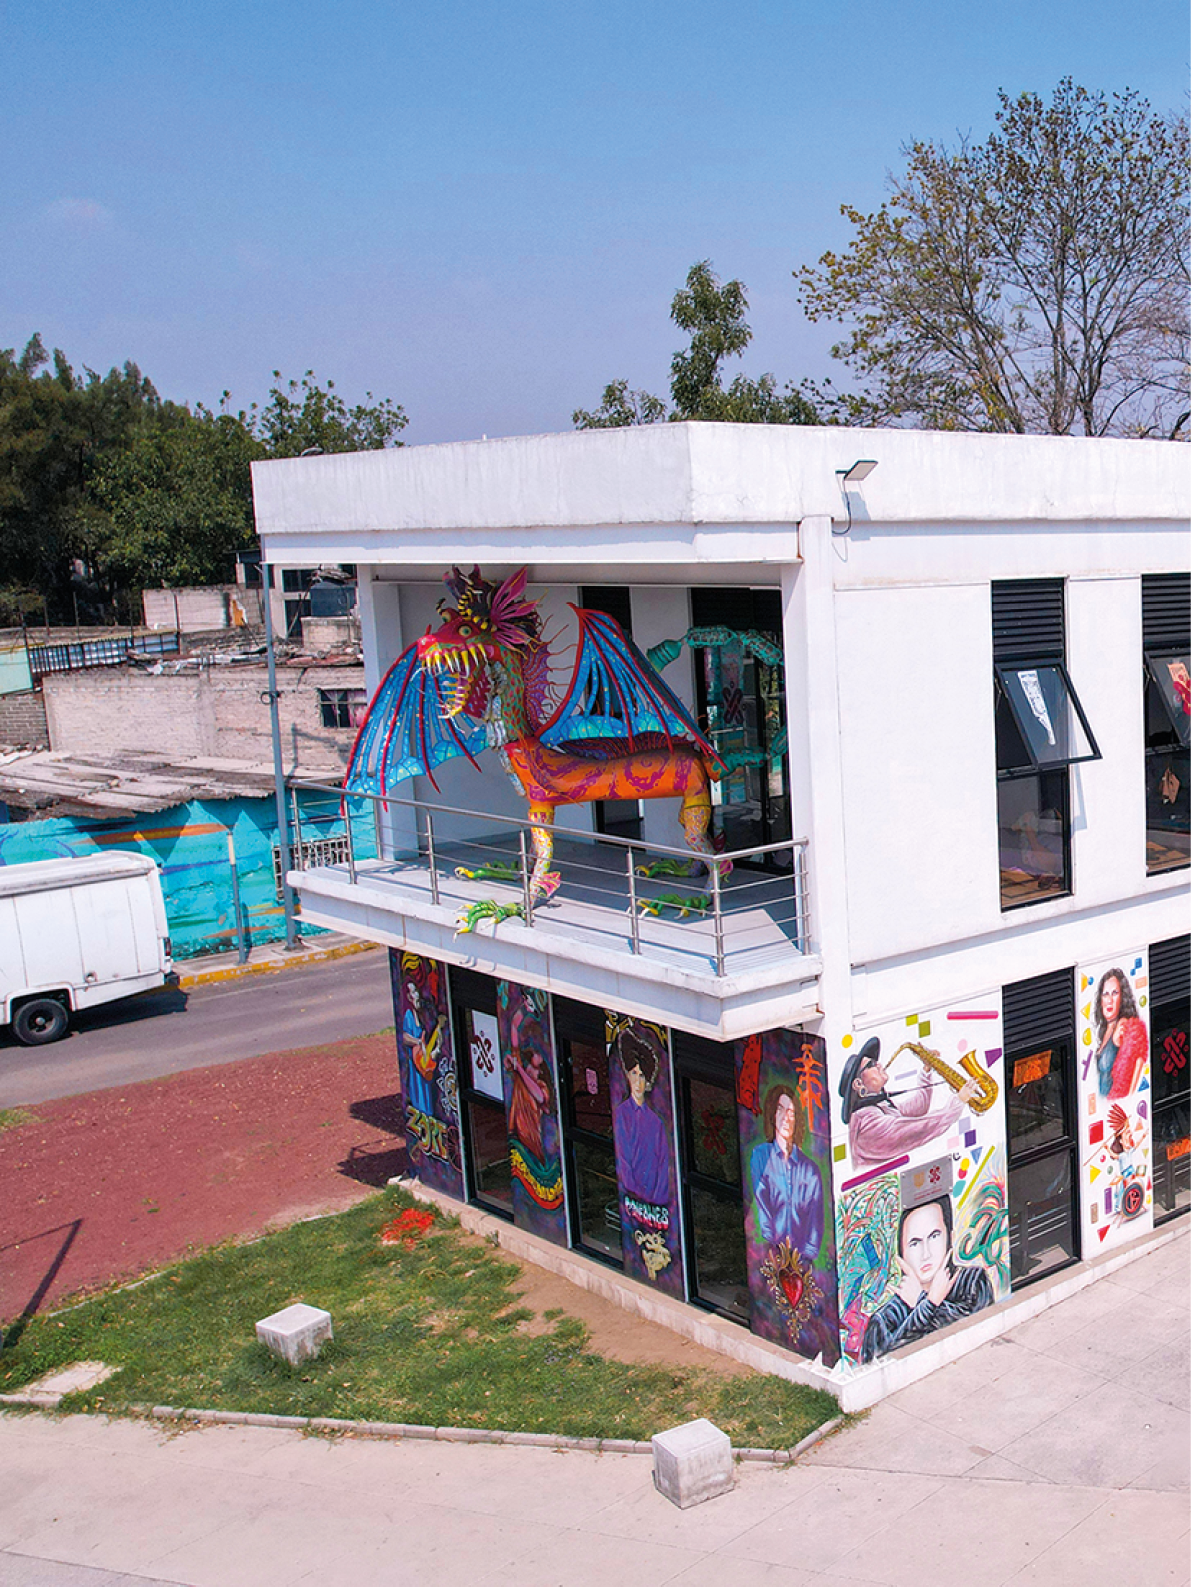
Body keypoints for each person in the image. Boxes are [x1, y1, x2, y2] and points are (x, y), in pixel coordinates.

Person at [860, 1195, 993, 1363]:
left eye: (934, 1236)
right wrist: (928, 1303)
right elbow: (891, 1360)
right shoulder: (884, 1320)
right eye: (914, 1243)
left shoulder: (972, 1281)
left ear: (950, 1238)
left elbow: (973, 1327)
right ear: (902, 1252)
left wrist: (920, 1301)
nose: (926, 1254)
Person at [840, 1037, 981, 1171]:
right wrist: (958, 1101)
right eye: (871, 1065)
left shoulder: (879, 1107)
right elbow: (919, 1129)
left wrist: (926, 1070)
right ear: (858, 1084)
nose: (879, 1064)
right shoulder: (868, 1122)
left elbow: (918, 1108)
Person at [749, 1084, 823, 1261]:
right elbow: (761, 1205)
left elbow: (815, 1220)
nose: (786, 1118)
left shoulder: (810, 1170)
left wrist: (806, 1258)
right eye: (781, 1110)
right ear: (772, 1115)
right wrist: (771, 1249)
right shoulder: (760, 1156)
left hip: (802, 1261)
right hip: (771, 1255)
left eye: (792, 1113)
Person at [611, 1028, 672, 1205]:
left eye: (642, 1075)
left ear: (648, 1080)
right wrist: (636, 1194)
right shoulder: (622, 1114)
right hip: (635, 1199)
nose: (638, 1082)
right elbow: (623, 1159)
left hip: (654, 1202)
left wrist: (656, 1198)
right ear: (627, 1076)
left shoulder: (656, 1122)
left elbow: (663, 1165)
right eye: (634, 1074)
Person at [504, 990, 552, 1163]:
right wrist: (524, 1009)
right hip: (518, 1134)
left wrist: (519, 1070)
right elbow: (513, 1029)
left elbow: (539, 1097)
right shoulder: (519, 1070)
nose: (536, 1052)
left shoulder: (540, 1085)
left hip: (532, 1139)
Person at [1093, 968, 1147, 1099]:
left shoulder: (1124, 1026)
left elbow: (1138, 1062)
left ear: (1123, 997)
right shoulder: (1104, 1030)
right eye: (1105, 994)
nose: (1109, 1000)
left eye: (1115, 993)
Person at [401, 979, 441, 1116]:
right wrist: (418, 1042)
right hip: (416, 1065)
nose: (416, 995)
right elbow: (405, 1036)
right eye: (412, 993)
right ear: (408, 997)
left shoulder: (421, 1016)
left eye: (416, 992)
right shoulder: (408, 1016)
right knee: (419, 1095)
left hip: (423, 1065)